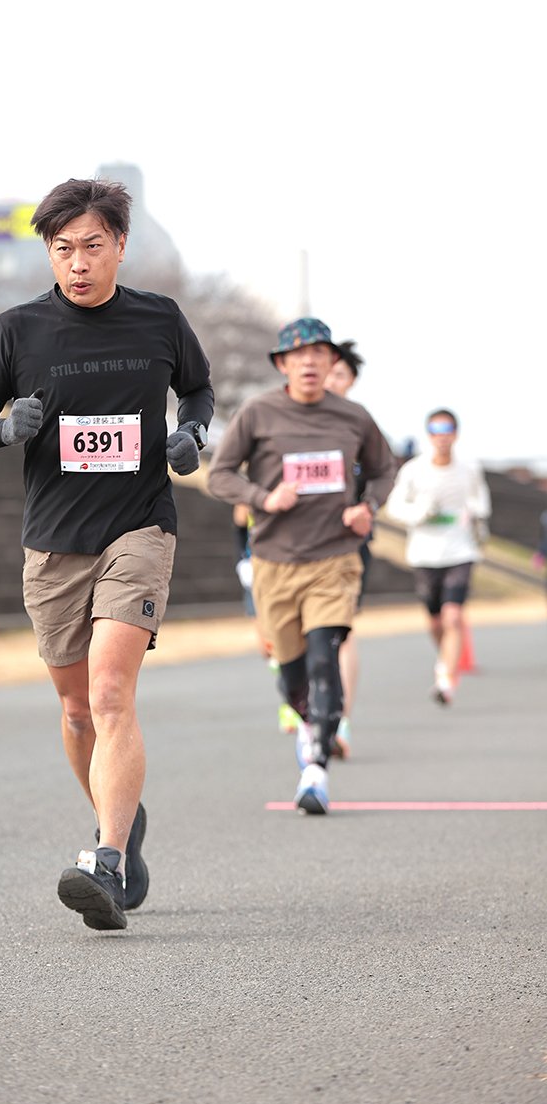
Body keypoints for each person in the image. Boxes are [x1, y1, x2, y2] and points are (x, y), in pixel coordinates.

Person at [0, 177, 214, 931]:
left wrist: (191, 436)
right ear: (49, 252)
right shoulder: (17, 329)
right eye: (63, 248)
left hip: (138, 526)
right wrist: (7, 428)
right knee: (74, 711)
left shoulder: (160, 319)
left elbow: (197, 392)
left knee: (109, 692)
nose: (77, 262)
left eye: (92, 245)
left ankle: (101, 858)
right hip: (53, 541)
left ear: (120, 246)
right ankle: (123, 827)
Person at [207, 317, 396, 814]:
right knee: (291, 675)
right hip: (274, 562)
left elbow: (383, 468)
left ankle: (315, 769)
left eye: (320, 354)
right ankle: (313, 730)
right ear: (282, 364)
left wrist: (368, 507)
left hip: (334, 558)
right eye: (299, 355)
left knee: (323, 656)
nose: (310, 363)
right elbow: (220, 475)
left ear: (333, 362)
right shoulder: (257, 413)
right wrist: (263, 497)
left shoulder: (354, 416)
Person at [385, 409, 491, 705]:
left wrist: (477, 517)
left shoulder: (469, 468)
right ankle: (446, 657)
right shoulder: (414, 471)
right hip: (425, 553)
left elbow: (480, 500)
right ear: (429, 435)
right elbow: (395, 508)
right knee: (435, 622)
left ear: (455, 434)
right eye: (436, 430)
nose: (442, 437)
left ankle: (445, 678)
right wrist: (419, 512)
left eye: (447, 430)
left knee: (453, 616)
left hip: (460, 550)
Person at [323, 339, 371, 757]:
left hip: (347, 544)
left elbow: (383, 475)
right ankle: (309, 709)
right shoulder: (283, 419)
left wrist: (365, 507)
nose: (331, 379)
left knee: (343, 629)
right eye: (327, 370)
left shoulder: (359, 425)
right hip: (291, 546)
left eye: (341, 374)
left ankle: (340, 720)